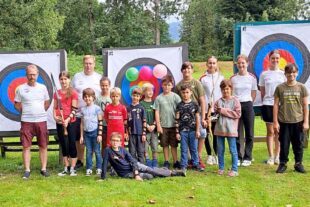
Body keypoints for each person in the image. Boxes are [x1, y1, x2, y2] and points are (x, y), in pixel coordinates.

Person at [14, 64, 50, 179]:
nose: (32, 76)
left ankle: (43, 169)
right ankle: (27, 170)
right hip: (26, 121)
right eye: (30, 74)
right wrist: (27, 112)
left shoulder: (43, 87)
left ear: (37, 75)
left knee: (43, 145)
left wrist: (39, 112)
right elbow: (16, 104)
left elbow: (46, 103)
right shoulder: (20, 88)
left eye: (34, 74)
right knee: (26, 146)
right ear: (26, 75)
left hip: (41, 120)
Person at [101, 132, 186, 181]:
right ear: (110, 141)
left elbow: (133, 161)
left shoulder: (123, 150)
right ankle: (163, 170)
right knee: (149, 176)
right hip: (127, 173)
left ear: (120, 142)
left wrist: (136, 174)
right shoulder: (108, 151)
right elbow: (104, 164)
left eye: (117, 141)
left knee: (150, 170)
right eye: (113, 140)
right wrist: (103, 178)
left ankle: (174, 173)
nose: (115, 142)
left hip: (135, 166)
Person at [274, 63, 309, 173]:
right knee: (284, 144)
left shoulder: (302, 87)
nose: (291, 74)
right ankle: (282, 164)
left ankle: (298, 164)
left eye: (293, 72)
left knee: (298, 144)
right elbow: (275, 105)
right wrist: (275, 122)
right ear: (285, 74)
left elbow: (305, 105)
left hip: (298, 121)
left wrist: (306, 122)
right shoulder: (280, 88)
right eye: (289, 72)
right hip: (283, 121)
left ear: (297, 73)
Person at [72, 55, 102, 169]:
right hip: (79, 113)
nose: (88, 66)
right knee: (80, 138)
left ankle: (93, 161)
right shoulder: (77, 76)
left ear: (94, 64)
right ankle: (80, 160)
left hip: (94, 114)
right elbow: (73, 93)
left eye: (90, 63)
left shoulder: (98, 77)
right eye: (86, 63)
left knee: (93, 137)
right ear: (83, 64)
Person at [175, 61, 207, 169]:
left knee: (202, 133)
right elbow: (176, 102)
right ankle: (188, 160)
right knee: (185, 141)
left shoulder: (197, 83)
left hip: (196, 116)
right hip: (184, 120)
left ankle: (198, 157)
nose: (186, 70)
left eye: (189, 68)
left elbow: (202, 100)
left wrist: (203, 117)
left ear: (192, 70)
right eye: (184, 68)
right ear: (182, 71)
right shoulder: (179, 85)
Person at [258, 50, 286, 165]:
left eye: (277, 58)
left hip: (280, 106)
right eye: (273, 58)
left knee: (278, 132)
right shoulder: (264, 74)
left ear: (280, 60)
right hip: (268, 105)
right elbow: (263, 91)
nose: (275, 60)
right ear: (269, 60)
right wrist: (267, 101)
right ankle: (270, 156)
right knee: (270, 131)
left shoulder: (283, 74)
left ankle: (277, 156)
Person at [230, 54, 257, 167]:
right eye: (239, 63)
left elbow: (254, 92)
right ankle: (237, 157)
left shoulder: (252, 78)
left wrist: (249, 102)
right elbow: (231, 93)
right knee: (235, 133)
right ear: (236, 64)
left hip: (248, 105)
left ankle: (247, 157)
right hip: (236, 106)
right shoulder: (233, 78)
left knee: (249, 133)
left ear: (247, 63)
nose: (241, 65)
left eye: (243, 63)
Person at [214, 79, 241, 177]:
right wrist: (214, 113)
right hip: (220, 130)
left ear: (231, 89)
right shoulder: (218, 102)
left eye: (227, 89)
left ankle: (234, 169)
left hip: (231, 130)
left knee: (233, 150)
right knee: (220, 150)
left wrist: (224, 111)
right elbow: (215, 114)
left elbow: (237, 114)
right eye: (223, 89)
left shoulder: (235, 101)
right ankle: (221, 168)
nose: (225, 91)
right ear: (221, 90)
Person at [53, 71, 79, 176]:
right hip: (60, 121)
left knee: (72, 144)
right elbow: (55, 108)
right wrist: (55, 117)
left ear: (69, 80)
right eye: (61, 79)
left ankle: (72, 168)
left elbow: (74, 109)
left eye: (65, 79)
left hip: (71, 122)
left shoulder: (73, 92)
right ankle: (66, 167)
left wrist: (68, 119)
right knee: (63, 145)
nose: (63, 81)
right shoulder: (57, 93)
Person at [200, 56, 224, 165]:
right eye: (210, 63)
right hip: (206, 109)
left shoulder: (221, 77)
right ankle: (209, 155)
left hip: (217, 109)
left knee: (216, 132)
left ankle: (216, 155)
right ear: (206, 64)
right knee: (206, 132)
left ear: (217, 64)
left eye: (214, 63)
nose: (212, 65)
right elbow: (201, 95)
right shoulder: (203, 78)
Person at [154, 75, 181, 169]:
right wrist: (158, 125)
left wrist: (178, 123)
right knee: (165, 144)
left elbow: (179, 110)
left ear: (172, 85)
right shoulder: (158, 98)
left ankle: (175, 161)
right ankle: (166, 161)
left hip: (174, 125)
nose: (166, 87)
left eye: (169, 85)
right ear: (162, 85)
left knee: (174, 144)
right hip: (163, 125)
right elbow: (156, 111)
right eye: (165, 85)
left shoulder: (176, 97)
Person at [175, 84, 202, 172]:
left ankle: (196, 163)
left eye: (187, 92)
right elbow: (177, 119)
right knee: (183, 148)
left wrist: (198, 130)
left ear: (191, 93)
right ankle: (183, 164)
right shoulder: (179, 105)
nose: (185, 94)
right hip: (183, 131)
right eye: (183, 93)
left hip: (193, 130)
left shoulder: (195, 104)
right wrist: (177, 132)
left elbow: (197, 117)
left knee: (194, 148)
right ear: (181, 94)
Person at [79, 88, 103, 176]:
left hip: (95, 132)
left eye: (89, 96)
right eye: (85, 97)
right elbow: (81, 123)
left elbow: (100, 121)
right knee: (88, 151)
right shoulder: (83, 109)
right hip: (86, 133)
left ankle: (99, 168)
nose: (87, 98)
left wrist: (99, 134)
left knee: (97, 151)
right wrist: (81, 136)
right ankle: (89, 168)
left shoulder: (97, 108)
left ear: (93, 97)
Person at [140, 83, 159, 168]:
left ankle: (155, 161)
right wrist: (147, 126)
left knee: (155, 146)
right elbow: (140, 117)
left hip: (154, 129)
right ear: (144, 92)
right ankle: (147, 161)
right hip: (145, 129)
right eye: (148, 90)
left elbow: (158, 115)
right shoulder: (141, 104)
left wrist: (154, 125)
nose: (150, 92)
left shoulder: (155, 102)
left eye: (151, 90)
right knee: (145, 147)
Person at [127, 87, 147, 163]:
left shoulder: (142, 108)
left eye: (137, 96)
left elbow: (144, 121)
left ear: (140, 97)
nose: (135, 97)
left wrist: (144, 134)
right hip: (131, 133)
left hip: (140, 133)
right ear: (131, 95)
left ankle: (141, 168)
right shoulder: (128, 108)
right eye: (134, 95)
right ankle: (134, 168)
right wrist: (126, 133)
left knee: (140, 152)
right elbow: (126, 123)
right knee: (132, 152)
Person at [95, 76, 112, 156]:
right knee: (103, 144)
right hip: (101, 124)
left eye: (106, 85)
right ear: (100, 85)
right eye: (102, 85)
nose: (104, 87)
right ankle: (103, 161)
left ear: (109, 85)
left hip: (111, 124)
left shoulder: (112, 97)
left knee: (111, 143)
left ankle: (111, 162)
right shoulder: (98, 99)